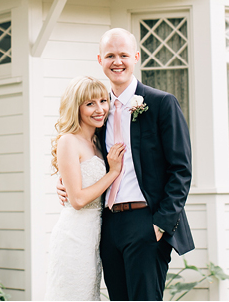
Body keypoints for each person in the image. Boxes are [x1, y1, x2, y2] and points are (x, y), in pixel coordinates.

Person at [58, 28, 194, 301]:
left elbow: (181, 170)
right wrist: (67, 182)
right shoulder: (99, 111)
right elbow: (86, 155)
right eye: (110, 55)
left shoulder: (161, 103)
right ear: (100, 60)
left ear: (136, 57)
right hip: (107, 225)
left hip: (146, 222)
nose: (117, 61)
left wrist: (160, 225)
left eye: (123, 55)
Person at [45, 76, 126, 301]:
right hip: (75, 236)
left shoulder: (99, 140)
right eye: (90, 104)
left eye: (103, 101)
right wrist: (112, 173)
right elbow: (78, 200)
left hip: (96, 235)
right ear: (76, 107)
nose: (100, 109)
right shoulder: (68, 141)